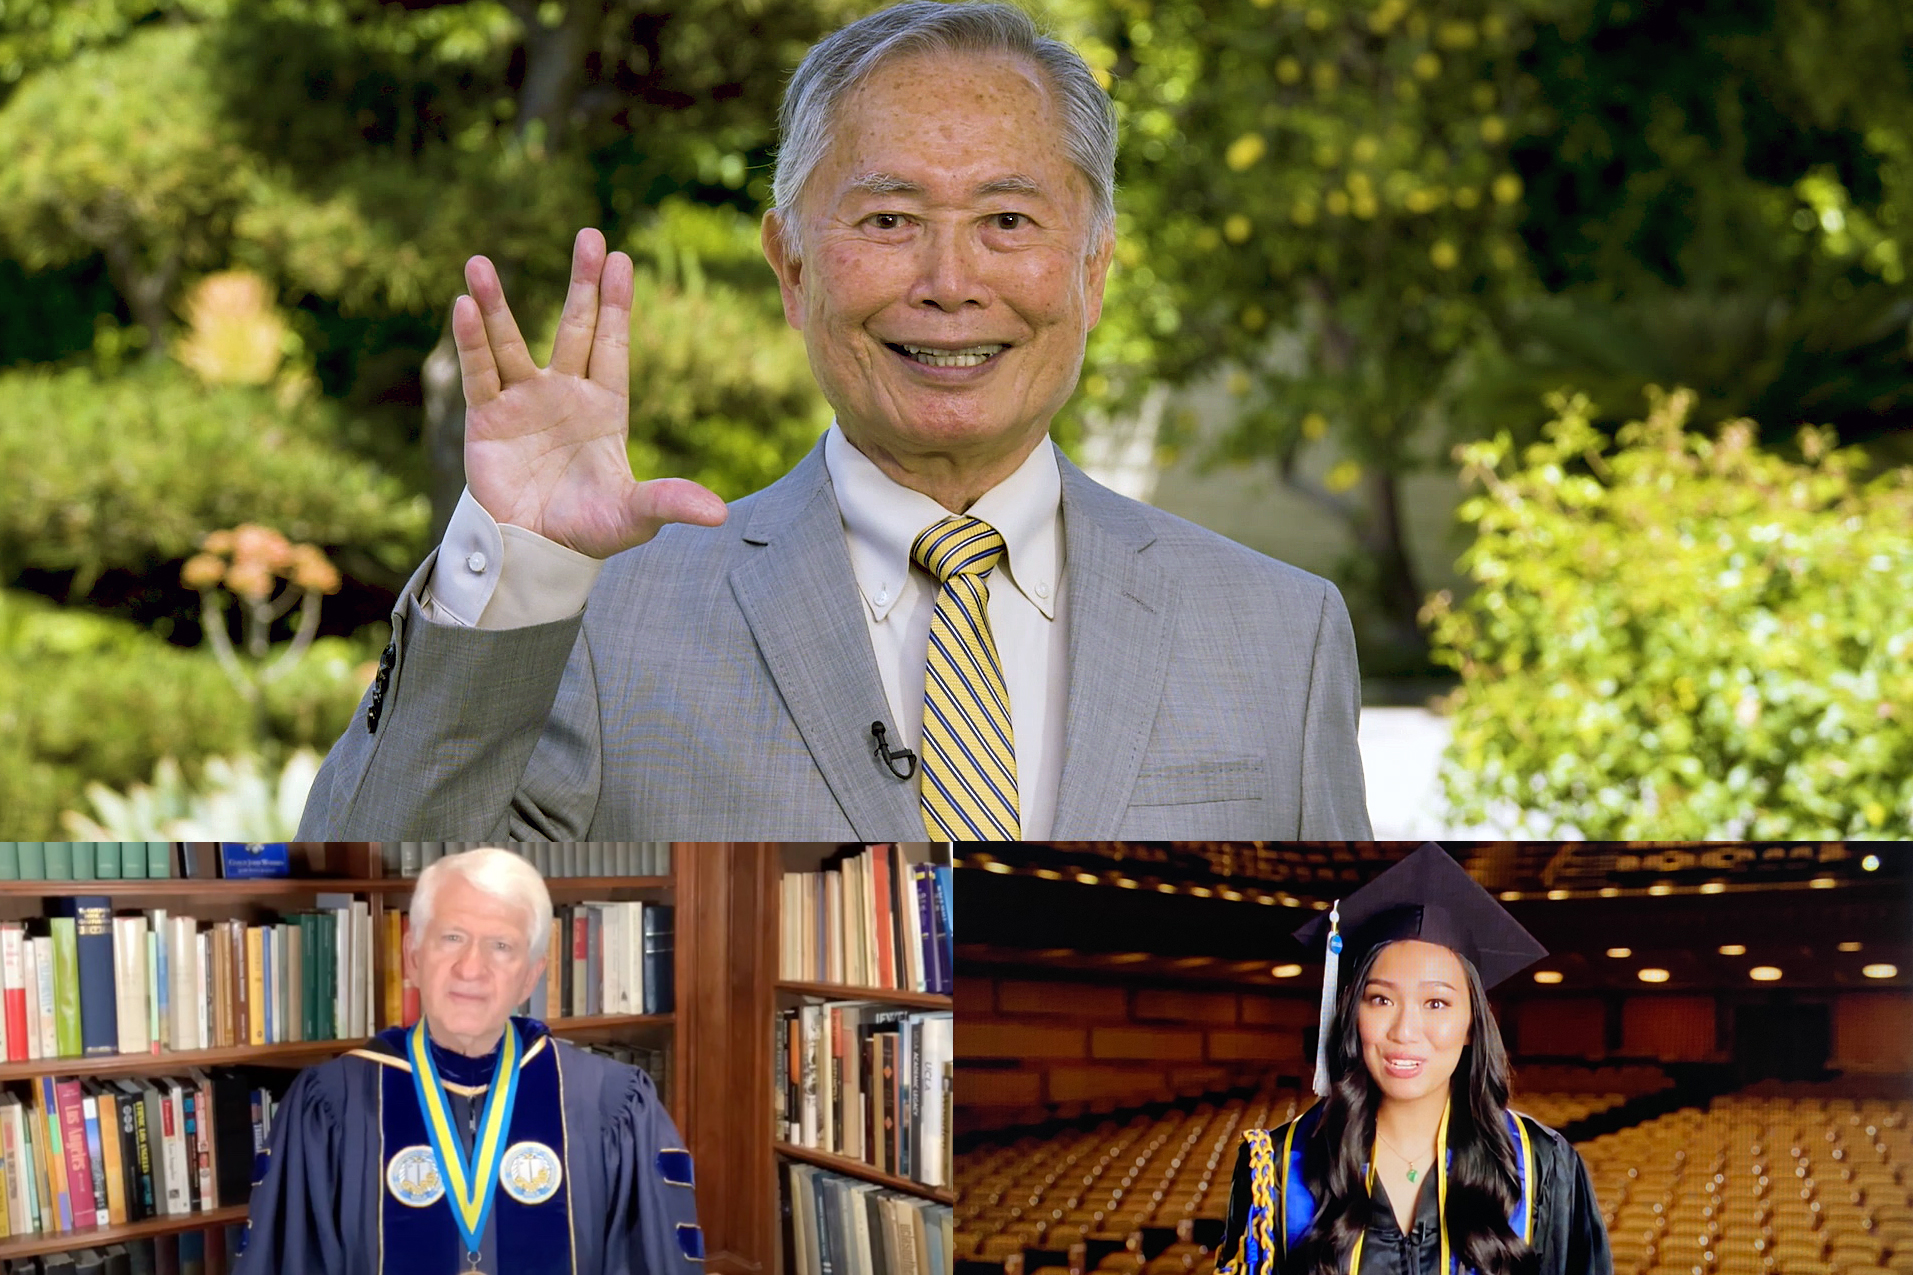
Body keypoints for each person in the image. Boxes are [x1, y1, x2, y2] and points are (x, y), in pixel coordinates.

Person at [296, 0, 1370, 841]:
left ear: (1092, 272)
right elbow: (375, 896)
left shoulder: (1282, 633)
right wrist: (519, 564)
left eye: (1006, 220)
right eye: (889, 220)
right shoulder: (599, 621)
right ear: (790, 266)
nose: (950, 283)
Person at [235, 848, 702, 1275]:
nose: (471, 969)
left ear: (530, 976)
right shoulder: (333, 1103)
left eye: (501, 946)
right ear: (413, 957)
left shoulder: (611, 1104)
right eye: (452, 938)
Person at [1217, 845, 1612, 1275]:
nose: (1404, 1031)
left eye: (1437, 1003)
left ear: (1472, 1026)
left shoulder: (1541, 1165)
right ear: (1352, 1015)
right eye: (1381, 999)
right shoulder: (1277, 1167)